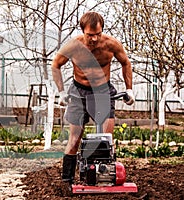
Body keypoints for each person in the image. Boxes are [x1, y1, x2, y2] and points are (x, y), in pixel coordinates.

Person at [51, 11, 135, 184]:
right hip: (78, 92)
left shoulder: (111, 44)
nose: (95, 39)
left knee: (106, 139)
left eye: (98, 34)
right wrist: (61, 92)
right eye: (90, 35)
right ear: (83, 31)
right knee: (74, 139)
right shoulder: (73, 46)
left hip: (103, 91)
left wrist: (129, 89)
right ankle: (67, 181)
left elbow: (126, 62)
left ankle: (104, 177)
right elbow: (56, 64)